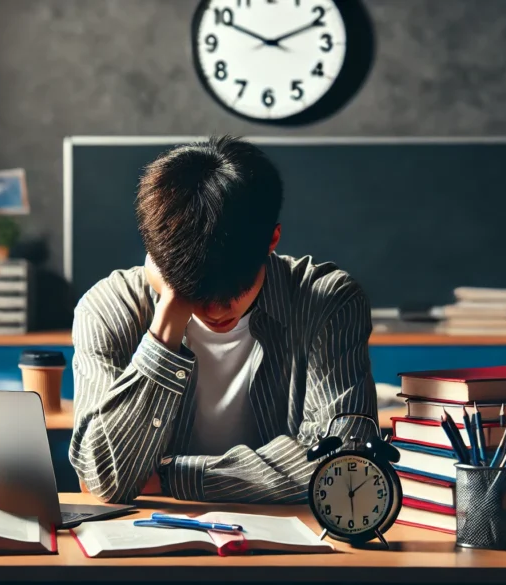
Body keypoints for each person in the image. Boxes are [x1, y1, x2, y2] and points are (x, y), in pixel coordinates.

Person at [69, 136, 377, 504]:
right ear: (157, 256)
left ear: (272, 240)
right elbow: (105, 477)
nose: (216, 310)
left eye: (236, 288)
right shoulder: (108, 308)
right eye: (196, 291)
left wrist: (171, 476)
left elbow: (344, 459)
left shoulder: (328, 302)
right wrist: (167, 322)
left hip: (292, 542)